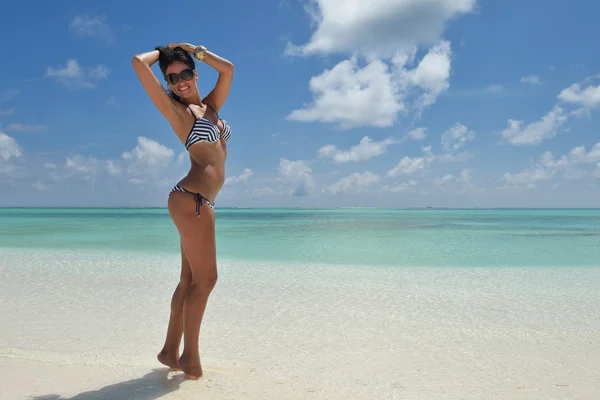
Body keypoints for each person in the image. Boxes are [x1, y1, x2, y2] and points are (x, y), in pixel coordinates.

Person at [132, 42, 234, 380]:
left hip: (196, 201)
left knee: (190, 280)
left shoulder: (211, 108)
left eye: (186, 73)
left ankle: (169, 349)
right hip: (191, 199)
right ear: (168, 83)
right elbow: (137, 63)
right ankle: (190, 359)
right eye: (172, 78)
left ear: (195, 73)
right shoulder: (178, 112)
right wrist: (162, 54)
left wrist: (194, 50)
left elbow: (228, 70)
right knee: (207, 280)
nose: (181, 81)